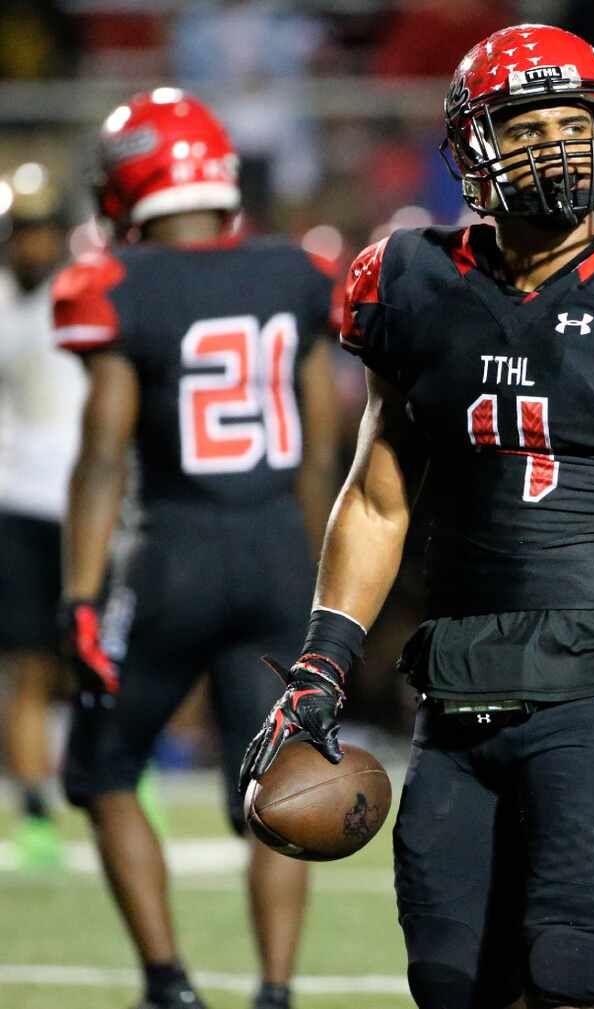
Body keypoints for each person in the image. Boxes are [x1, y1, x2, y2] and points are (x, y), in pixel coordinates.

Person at [240, 24, 594, 1009]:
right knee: (445, 981)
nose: (560, 144)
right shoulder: (409, 283)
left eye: (577, 121)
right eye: (531, 125)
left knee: (563, 971)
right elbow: (378, 498)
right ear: (473, 145)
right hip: (455, 684)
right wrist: (321, 661)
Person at [52, 89, 338, 1009]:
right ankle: (278, 989)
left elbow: (102, 458)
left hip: (174, 552)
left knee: (100, 768)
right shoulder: (293, 272)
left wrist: (81, 594)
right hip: (280, 554)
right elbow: (320, 446)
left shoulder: (117, 285)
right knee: (277, 787)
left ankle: (169, 983)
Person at [0, 163, 85, 869]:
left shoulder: (85, 293)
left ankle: (123, 776)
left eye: (44, 232)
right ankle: (33, 809)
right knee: (27, 666)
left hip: (89, 504)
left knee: (101, 660)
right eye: (25, 233)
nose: (36, 245)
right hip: (18, 502)